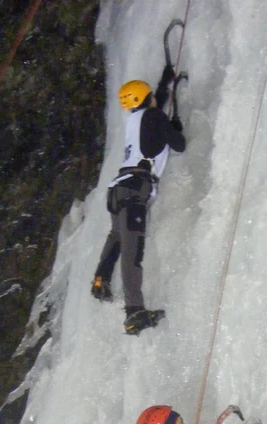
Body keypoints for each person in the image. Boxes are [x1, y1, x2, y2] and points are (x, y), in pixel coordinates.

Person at [91, 66, 186, 335]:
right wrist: (175, 126)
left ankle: (101, 280)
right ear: (146, 99)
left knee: (118, 238)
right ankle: (134, 312)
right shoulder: (153, 116)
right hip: (135, 190)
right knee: (133, 249)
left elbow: (154, 106)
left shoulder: (136, 119)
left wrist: (166, 81)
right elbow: (178, 144)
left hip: (118, 190)